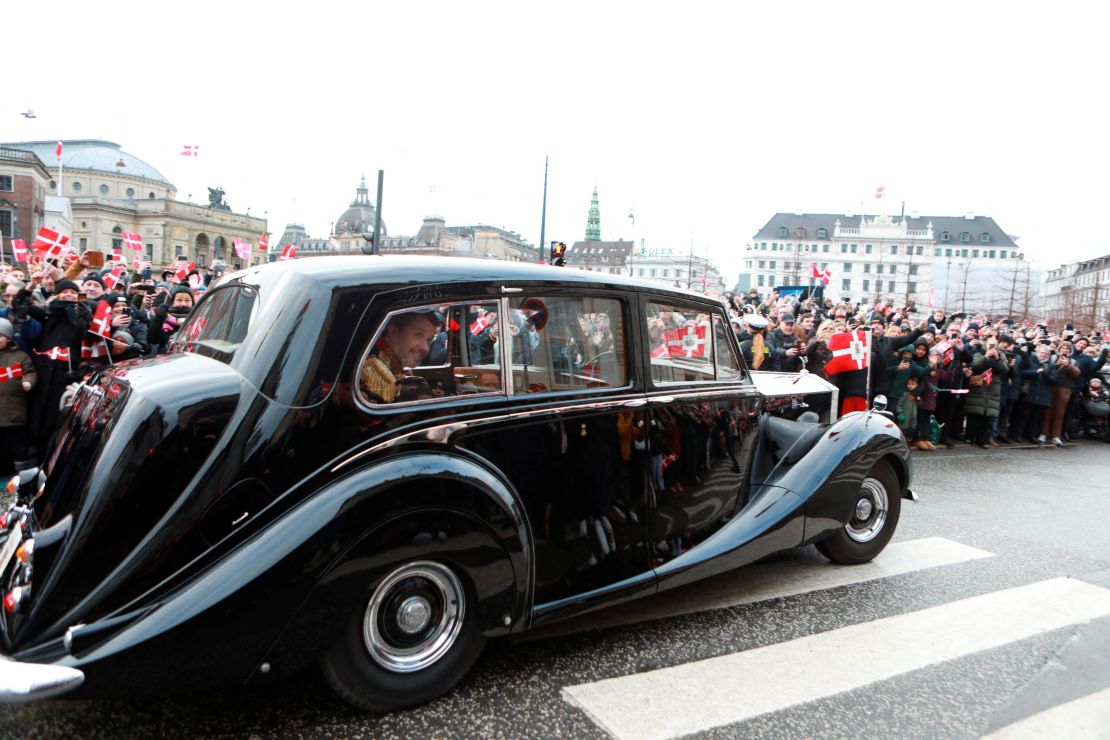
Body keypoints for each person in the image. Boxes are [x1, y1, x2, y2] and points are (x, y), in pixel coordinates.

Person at [360, 310, 441, 403]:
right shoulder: (374, 368)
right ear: (393, 331)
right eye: (418, 335)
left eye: (429, 340)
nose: (425, 347)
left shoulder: (395, 361)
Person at [0, 318, 37, 473]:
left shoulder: (20, 356)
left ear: (8, 338)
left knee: (18, 448)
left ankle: (21, 478)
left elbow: (30, 372)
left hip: (14, 412)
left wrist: (28, 382)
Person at [1040, 341, 1080, 446]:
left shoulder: (1073, 361)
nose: (1065, 350)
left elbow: (1077, 374)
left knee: (1059, 412)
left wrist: (1068, 365)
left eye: (1067, 349)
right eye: (1063, 348)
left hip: (1065, 388)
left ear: (1070, 351)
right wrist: (1057, 365)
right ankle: (1043, 433)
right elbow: (1047, 369)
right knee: (1047, 411)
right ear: (1059, 349)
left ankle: (1056, 435)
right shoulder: (1052, 358)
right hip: (1051, 387)